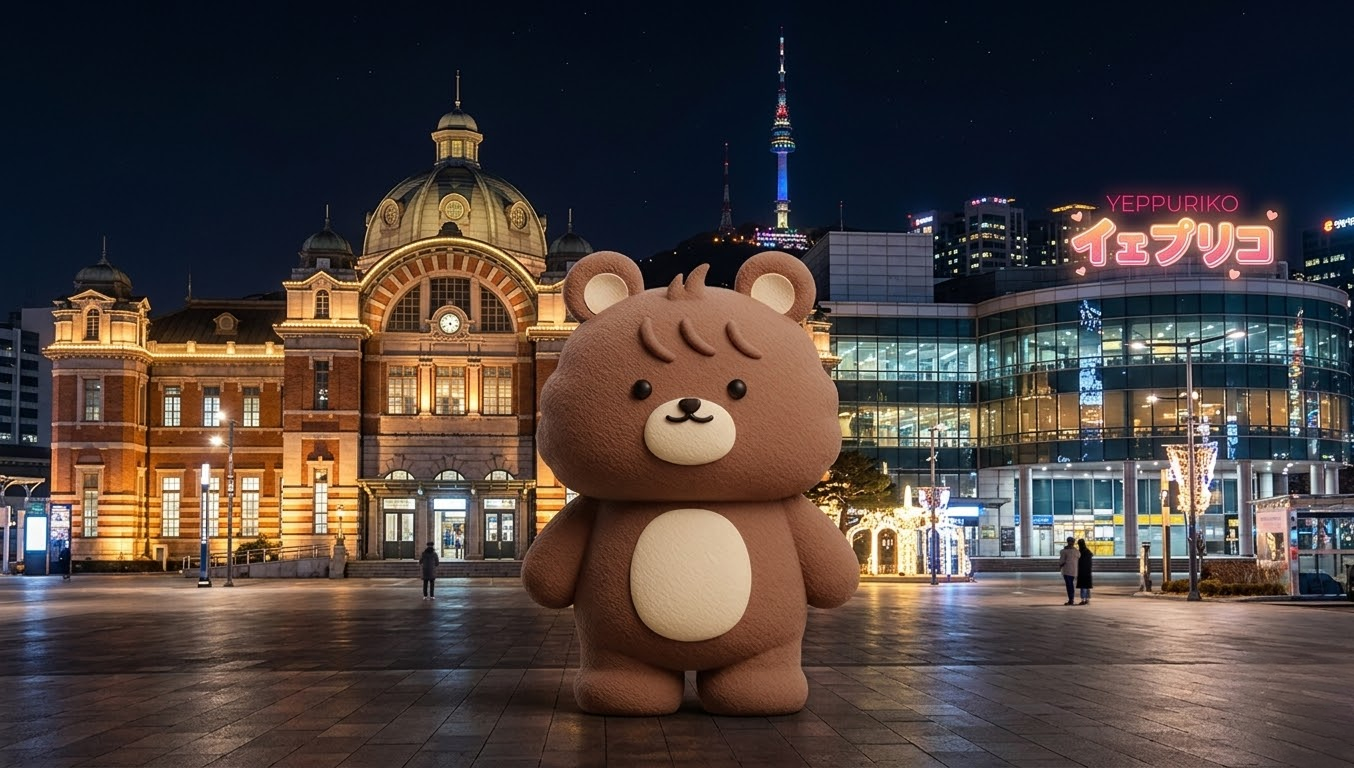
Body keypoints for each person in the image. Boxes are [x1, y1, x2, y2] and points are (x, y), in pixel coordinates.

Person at [1057, 536, 1079, 605]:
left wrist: (1060, 566)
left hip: (1067, 570)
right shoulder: (1076, 551)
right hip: (1074, 570)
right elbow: (1079, 556)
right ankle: (1071, 599)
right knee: (1071, 585)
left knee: (1069, 585)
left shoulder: (1064, 551)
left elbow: (1061, 561)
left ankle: (1071, 600)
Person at [1076, 538, 1093, 604]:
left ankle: (1083, 599)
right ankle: (1087, 599)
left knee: (1083, 586)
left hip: (1082, 571)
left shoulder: (1079, 552)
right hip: (1088, 571)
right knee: (1087, 586)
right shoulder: (1088, 552)